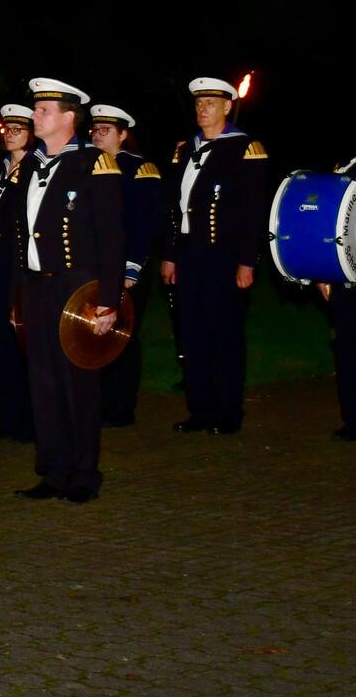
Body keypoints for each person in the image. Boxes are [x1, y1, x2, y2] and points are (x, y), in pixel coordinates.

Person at [9, 78, 124, 504]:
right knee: (42, 382)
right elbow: (19, 237)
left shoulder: (94, 163)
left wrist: (108, 301)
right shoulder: (29, 166)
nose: (35, 116)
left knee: (78, 383)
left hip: (77, 289)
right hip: (37, 288)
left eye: (44, 111)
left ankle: (84, 473)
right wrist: (16, 295)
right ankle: (53, 470)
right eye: (36, 109)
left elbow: (112, 238)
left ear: (68, 117)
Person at [161, 77, 268, 436]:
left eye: (210, 103)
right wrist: (170, 255)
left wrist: (247, 261)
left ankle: (229, 412)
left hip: (224, 255)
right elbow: (175, 209)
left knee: (225, 334)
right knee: (193, 334)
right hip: (189, 254)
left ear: (227, 107)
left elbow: (253, 211)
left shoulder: (245, 148)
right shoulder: (185, 150)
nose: (202, 109)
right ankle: (201, 410)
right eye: (198, 103)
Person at [88, 104, 161, 427]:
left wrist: (131, 267)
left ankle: (121, 406)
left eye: (105, 131)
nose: (97, 136)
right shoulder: (86, 165)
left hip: (126, 268)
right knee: (94, 333)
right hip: (93, 268)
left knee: (122, 335)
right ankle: (98, 402)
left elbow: (143, 222)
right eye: (95, 130)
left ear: (122, 134)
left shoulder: (139, 168)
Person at [0, 104, 36, 443]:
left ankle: (29, 419)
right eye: (7, 130)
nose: (10, 135)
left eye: (18, 130)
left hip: (21, 264)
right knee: (2, 340)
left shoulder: (35, 167)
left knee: (23, 340)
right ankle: (8, 416)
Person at [319, 154, 356, 442]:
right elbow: (327, 220)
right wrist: (322, 270)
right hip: (346, 278)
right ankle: (353, 420)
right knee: (348, 351)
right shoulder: (344, 168)